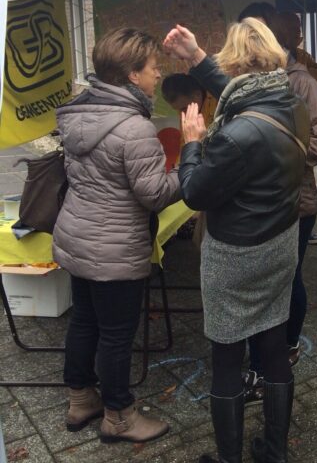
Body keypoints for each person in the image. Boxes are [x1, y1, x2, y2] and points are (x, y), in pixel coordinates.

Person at [163, 19, 309, 463]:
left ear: (235, 60)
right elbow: (239, 92)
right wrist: (194, 56)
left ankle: (229, 459)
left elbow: (194, 193)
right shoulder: (291, 102)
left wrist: (192, 143)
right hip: (280, 242)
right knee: (271, 343)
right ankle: (274, 452)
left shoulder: (233, 135)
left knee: (227, 357)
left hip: (235, 255)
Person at [54, 28, 181, 443]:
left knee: (85, 320)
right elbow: (155, 194)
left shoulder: (77, 114)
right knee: (116, 335)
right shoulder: (133, 128)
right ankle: (120, 416)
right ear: (131, 75)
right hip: (115, 248)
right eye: (153, 68)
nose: (158, 75)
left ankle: (80, 400)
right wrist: (190, 160)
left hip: (77, 236)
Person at [243, 11, 317, 406]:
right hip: (253, 206)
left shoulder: (303, 81)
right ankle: (260, 362)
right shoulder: (243, 82)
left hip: (296, 202)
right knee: (259, 283)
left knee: (288, 278)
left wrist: (278, 162)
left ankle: (284, 349)